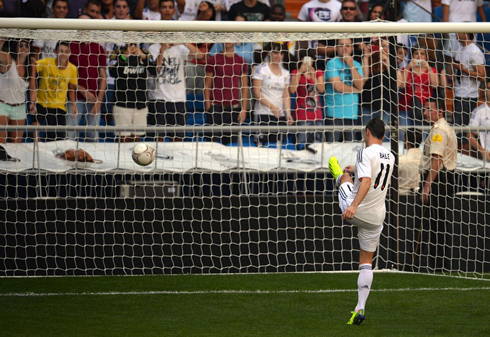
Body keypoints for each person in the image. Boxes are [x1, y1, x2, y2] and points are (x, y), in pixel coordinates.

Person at [327, 118, 395, 325]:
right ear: (383, 136)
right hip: (377, 217)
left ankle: (338, 176)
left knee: (345, 179)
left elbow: (366, 181)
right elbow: (374, 176)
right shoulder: (391, 155)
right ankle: (360, 307)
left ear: (367, 132)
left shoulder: (364, 152)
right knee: (366, 263)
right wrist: (357, 169)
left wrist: (353, 206)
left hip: (357, 210)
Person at [419, 97, 458, 271]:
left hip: (438, 180)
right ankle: (440, 266)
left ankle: (439, 266)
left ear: (440, 111)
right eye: (425, 109)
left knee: (436, 225)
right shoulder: (443, 128)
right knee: (438, 224)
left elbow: (437, 159)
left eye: (429, 109)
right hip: (443, 179)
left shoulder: (439, 130)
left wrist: (427, 185)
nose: (425, 112)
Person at [148, 41, 204, 141]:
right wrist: (162, 50)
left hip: (179, 99)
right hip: (158, 99)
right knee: (158, 138)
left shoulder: (180, 48)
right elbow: (155, 69)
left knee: (178, 139)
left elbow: (199, 55)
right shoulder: (153, 48)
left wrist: (184, 42)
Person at [67, 15, 108, 142]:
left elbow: (103, 77)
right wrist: (82, 90)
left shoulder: (98, 48)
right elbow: (65, 75)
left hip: (94, 100)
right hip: (74, 99)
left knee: (92, 137)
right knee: (70, 136)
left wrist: (99, 101)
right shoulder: (70, 46)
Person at [29, 41, 78, 141]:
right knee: (34, 133)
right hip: (41, 103)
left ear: (69, 53)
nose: (63, 54)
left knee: (57, 140)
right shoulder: (46, 62)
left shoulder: (72, 69)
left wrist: (73, 104)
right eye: (61, 51)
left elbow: (71, 88)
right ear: (55, 51)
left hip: (58, 107)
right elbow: (33, 67)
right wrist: (32, 101)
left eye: (66, 51)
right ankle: (38, 153)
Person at [204, 43, 249, 144]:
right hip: (215, 108)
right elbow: (207, 85)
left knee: (230, 147)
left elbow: (244, 86)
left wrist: (244, 109)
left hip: (233, 109)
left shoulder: (241, 61)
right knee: (211, 145)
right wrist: (208, 107)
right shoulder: (213, 60)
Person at [325, 38, 367, 142]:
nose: (344, 48)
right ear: (337, 47)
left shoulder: (356, 64)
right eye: (341, 45)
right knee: (333, 150)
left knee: (349, 150)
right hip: (335, 114)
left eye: (347, 45)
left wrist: (351, 66)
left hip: (351, 113)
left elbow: (360, 85)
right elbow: (338, 86)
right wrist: (356, 90)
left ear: (352, 48)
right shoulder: (331, 63)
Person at [110, 43, 153, 142]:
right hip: (122, 103)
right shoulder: (117, 53)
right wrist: (125, 57)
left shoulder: (145, 53)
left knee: (136, 139)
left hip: (140, 103)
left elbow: (154, 71)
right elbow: (112, 72)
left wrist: (143, 57)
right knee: (123, 138)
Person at [252, 43, 293, 146]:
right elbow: (256, 93)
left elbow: (286, 95)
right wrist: (272, 107)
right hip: (263, 114)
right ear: (270, 53)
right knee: (261, 148)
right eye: (275, 52)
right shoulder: (261, 69)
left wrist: (288, 114)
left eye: (281, 53)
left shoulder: (286, 73)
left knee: (279, 149)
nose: (278, 56)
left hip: (280, 116)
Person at [451, 32, 486, 148]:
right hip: (458, 93)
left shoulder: (474, 51)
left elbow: (482, 76)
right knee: (457, 131)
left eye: (459, 31)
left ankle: (466, 160)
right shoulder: (460, 49)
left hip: (469, 96)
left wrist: (464, 69)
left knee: (464, 132)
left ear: (466, 34)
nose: (456, 33)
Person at [289, 56, 325, 149]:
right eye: (305, 58)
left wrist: (313, 76)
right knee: (301, 145)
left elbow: (321, 89)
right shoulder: (296, 72)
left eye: (310, 59)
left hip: (317, 115)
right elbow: (292, 90)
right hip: (302, 115)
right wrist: (300, 71)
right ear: (301, 60)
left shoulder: (318, 72)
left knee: (317, 146)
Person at [399, 46, 439, 127]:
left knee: (423, 136)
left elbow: (435, 85)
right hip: (406, 107)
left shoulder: (432, 70)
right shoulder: (405, 69)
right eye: (416, 53)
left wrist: (428, 67)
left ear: (426, 57)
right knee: (404, 135)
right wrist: (408, 67)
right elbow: (402, 85)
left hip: (425, 109)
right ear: (412, 56)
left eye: (422, 54)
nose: (419, 56)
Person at [0, 38, 31, 143]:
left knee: (17, 146)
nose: (24, 48)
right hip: (2, 106)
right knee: (1, 143)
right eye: (21, 45)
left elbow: (33, 88)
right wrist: (2, 41)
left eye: (26, 46)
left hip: (20, 107)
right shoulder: (8, 60)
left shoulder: (31, 65)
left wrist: (33, 103)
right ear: (15, 47)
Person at [467, 82, 490, 161]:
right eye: (489, 88)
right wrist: (481, 150)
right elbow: (469, 134)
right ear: (485, 91)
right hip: (487, 156)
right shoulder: (478, 111)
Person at [399, 128, 423, 195]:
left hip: (401, 197)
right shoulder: (426, 159)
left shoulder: (400, 160)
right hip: (421, 196)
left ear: (406, 140)